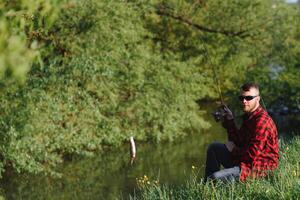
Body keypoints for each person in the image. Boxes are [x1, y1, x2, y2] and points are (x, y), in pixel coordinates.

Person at [204, 83, 279, 182]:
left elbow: (252, 155)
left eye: (248, 98)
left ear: (258, 99)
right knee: (214, 148)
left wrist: (233, 150)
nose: (244, 101)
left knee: (215, 178)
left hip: (259, 168)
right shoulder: (249, 116)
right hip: (246, 161)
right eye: (241, 98)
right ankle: (207, 187)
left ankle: (210, 186)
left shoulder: (261, 121)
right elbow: (238, 141)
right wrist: (230, 121)